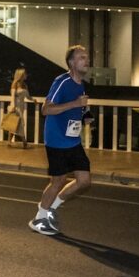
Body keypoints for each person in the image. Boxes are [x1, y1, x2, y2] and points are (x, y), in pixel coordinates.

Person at [28, 45, 93, 236]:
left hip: (72, 140)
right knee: (58, 181)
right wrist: (75, 104)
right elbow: (46, 110)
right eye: (82, 57)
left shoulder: (80, 84)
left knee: (84, 181)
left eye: (87, 57)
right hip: (56, 140)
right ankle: (39, 218)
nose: (86, 60)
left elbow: (75, 109)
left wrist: (85, 114)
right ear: (72, 63)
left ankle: (52, 207)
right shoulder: (62, 81)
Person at [5, 67, 30, 148]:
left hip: (21, 107)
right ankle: (24, 142)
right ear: (21, 75)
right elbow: (12, 96)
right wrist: (12, 105)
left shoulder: (25, 85)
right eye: (25, 74)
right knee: (19, 124)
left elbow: (28, 97)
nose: (26, 75)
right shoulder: (15, 83)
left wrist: (34, 100)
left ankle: (9, 142)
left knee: (14, 124)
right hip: (15, 107)